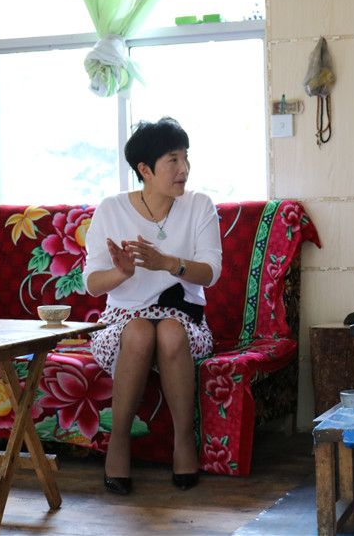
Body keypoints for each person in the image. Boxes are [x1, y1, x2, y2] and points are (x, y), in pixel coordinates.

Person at [83, 117, 222, 495]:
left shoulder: (199, 205)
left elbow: (211, 273)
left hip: (184, 318)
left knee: (171, 332)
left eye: (186, 158)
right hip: (122, 320)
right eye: (173, 160)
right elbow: (92, 282)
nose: (184, 169)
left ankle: (183, 443)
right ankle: (118, 444)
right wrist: (122, 273)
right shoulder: (111, 209)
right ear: (145, 169)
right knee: (141, 331)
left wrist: (168, 264)